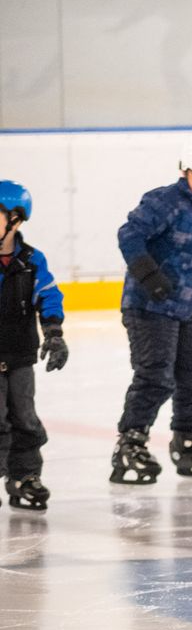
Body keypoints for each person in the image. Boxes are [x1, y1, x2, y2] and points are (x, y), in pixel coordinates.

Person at [111, 134, 192, 484]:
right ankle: (129, 444)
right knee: (155, 376)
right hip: (149, 307)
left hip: (186, 309)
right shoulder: (164, 201)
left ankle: (189, 443)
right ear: (186, 171)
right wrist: (147, 274)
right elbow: (129, 235)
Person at [0, 181, 67, 511]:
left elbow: (49, 295)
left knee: (24, 418)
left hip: (20, 356)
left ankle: (24, 477)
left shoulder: (31, 259)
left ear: (16, 220)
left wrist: (54, 333)